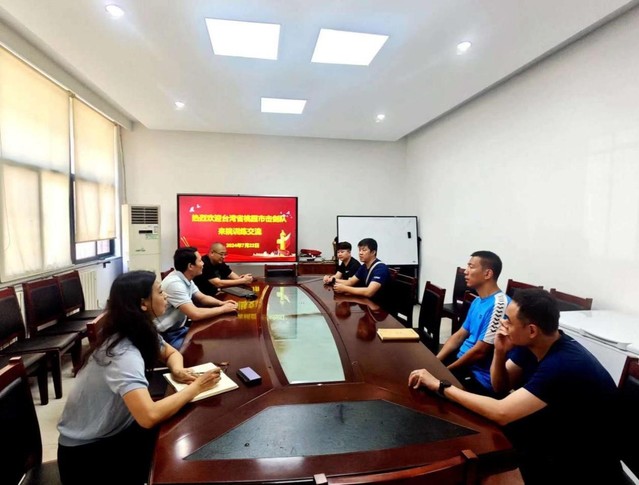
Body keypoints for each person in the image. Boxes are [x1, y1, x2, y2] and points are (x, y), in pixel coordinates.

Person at [408, 288, 624, 484]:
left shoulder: (562, 364)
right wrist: (500, 351)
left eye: (509, 321)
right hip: (554, 432)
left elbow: (501, 412)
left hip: (583, 463)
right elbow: (500, 387)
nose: (503, 324)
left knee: (479, 455)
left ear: (531, 330)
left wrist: (440, 386)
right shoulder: (535, 343)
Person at [57, 270, 222, 485]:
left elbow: (171, 353)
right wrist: (196, 387)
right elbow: (149, 416)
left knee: (183, 434)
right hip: (88, 456)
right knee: (177, 458)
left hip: (119, 429)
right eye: (160, 292)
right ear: (143, 303)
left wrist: (177, 370)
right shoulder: (122, 353)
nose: (166, 296)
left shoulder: (139, 330)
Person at [435, 251, 509, 396]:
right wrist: (436, 362)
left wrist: (446, 371)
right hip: (461, 361)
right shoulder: (477, 300)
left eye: (471, 266)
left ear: (488, 274)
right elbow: (459, 335)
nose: (465, 271)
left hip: (478, 376)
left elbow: (480, 351)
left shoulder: (499, 305)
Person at [156, 247, 238, 349]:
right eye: (200, 261)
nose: (203, 264)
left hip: (179, 329)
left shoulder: (186, 277)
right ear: (190, 266)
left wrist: (221, 303)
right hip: (166, 335)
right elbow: (195, 314)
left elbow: (202, 298)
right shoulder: (175, 283)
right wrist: (223, 309)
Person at [332, 238, 390, 302]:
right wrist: (333, 281)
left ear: (373, 252)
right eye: (359, 250)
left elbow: (369, 292)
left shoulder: (380, 268)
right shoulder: (364, 267)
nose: (360, 253)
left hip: (381, 304)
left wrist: (345, 288)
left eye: (364, 250)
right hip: (368, 301)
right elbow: (350, 282)